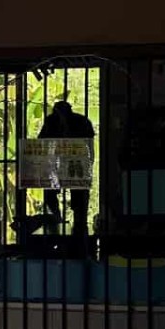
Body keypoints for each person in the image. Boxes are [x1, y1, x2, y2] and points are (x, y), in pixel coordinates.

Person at [38, 100, 95, 236]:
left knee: (77, 196)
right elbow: (90, 146)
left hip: (74, 162)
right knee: (54, 194)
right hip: (65, 162)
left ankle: (74, 224)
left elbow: (89, 145)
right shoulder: (78, 121)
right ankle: (62, 222)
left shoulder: (79, 121)